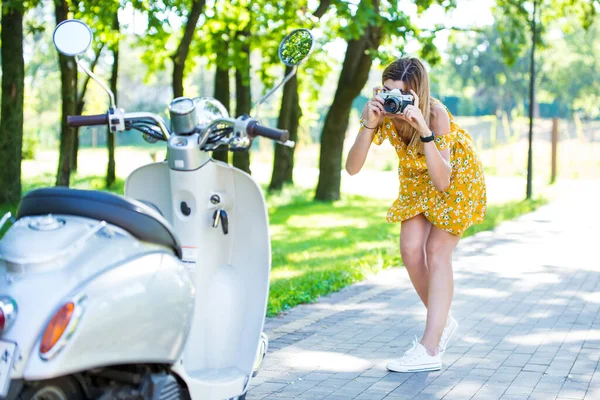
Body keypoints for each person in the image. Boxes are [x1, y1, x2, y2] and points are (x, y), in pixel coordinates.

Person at [345, 57, 487, 372]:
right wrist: (369, 122)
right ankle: (442, 322)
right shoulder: (381, 111)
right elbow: (352, 168)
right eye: (386, 91)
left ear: (418, 94)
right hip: (414, 179)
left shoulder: (435, 114)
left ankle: (430, 347)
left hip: (454, 178)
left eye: (400, 95)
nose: (393, 101)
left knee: (436, 252)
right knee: (410, 251)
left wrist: (423, 130)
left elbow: (442, 180)